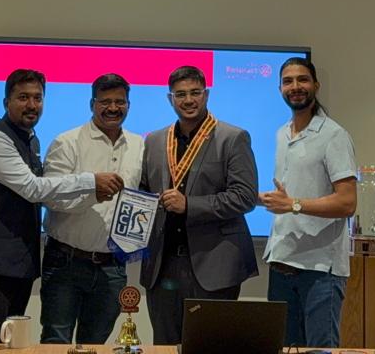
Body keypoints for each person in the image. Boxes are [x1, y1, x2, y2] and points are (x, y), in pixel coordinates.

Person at [0, 69, 125, 342]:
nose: (32, 105)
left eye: (37, 98)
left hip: (15, 268)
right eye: (23, 97)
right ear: (6, 102)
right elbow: (32, 189)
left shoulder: (30, 139)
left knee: (9, 344)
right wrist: (90, 181)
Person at [140, 65, 259, 345]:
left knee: (210, 345)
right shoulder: (155, 140)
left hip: (214, 264)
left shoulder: (233, 138)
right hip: (163, 264)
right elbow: (145, 191)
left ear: (206, 95)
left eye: (195, 92)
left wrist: (189, 205)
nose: (188, 100)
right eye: (180, 94)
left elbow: (245, 196)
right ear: (170, 99)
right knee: (165, 345)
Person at [258, 57, 357, 348]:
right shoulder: (281, 133)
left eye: (302, 79)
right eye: (288, 81)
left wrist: (293, 205)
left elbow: (347, 202)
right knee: (284, 348)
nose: (295, 87)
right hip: (282, 264)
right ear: (280, 89)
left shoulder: (334, 135)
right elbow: (289, 196)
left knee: (319, 350)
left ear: (316, 85)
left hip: (320, 270)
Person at [39, 73, 145, 345]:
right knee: (56, 341)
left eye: (120, 102)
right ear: (92, 104)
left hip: (113, 267)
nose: (113, 108)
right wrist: (93, 192)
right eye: (105, 101)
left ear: (129, 105)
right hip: (66, 262)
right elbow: (51, 197)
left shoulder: (139, 145)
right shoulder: (67, 142)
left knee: (96, 345)